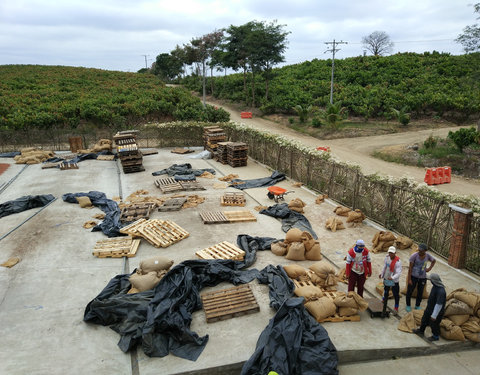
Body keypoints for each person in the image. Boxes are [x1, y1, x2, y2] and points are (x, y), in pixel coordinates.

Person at [413, 273, 446, 341]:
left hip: (436, 312)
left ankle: (436, 336)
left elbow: (439, 304)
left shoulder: (441, 291)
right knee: (424, 319)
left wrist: (434, 315)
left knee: (434, 324)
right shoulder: (435, 287)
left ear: (434, 281)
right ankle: (421, 330)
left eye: (431, 280)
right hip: (429, 308)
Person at [405, 243, 436, 312]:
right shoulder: (414, 256)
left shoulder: (427, 256)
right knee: (410, 291)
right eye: (419, 250)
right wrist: (409, 279)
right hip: (413, 276)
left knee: (420, 292)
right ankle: (408, 305)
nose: (420, 252)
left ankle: (417, 305)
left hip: (422, 277)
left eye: (422, 251)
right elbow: (410, 268)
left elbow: (434, 261)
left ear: (425, 251)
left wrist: (429, 268)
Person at [379, 246, 402, 315]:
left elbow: (398, 273)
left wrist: (392, 278)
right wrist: (382, 274)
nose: (390, 254)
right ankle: (384, 300)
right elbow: (385, 266)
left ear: (395, 253)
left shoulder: (398, 262)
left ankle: (396, 308)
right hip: (387, 277)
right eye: (389, 253)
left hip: (394, 280)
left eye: (392, 253)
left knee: (395, 294)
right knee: (386, 290)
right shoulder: (387, 258)